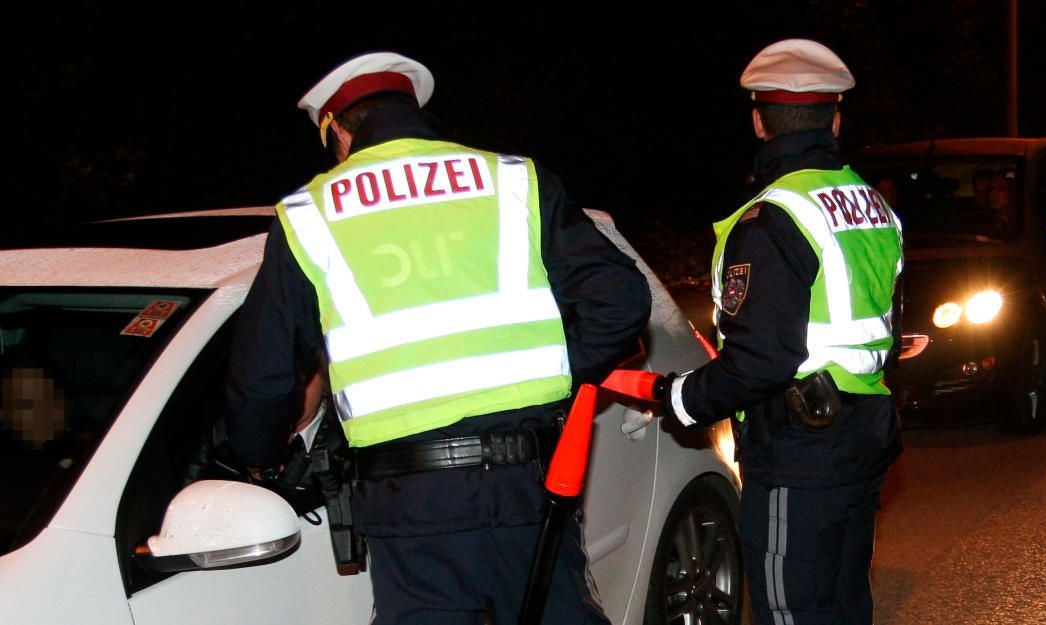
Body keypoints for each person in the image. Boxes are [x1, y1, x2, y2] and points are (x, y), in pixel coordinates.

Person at [224, 51, 651, 625]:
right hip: (528, 480)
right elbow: (621, 301)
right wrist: (552, 371)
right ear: (413, 111)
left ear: (339, 132)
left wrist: (260, 460)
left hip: (408, 502)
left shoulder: (310, 213)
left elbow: (263, 375)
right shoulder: (511, 178)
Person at [646, 39, 904, 625]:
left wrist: (680, 397)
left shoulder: (774, 216)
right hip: (863, 433)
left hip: (800, 451)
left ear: (759, 123)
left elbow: (763, 358)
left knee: (791, 611)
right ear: (835, 120)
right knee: (844, 606)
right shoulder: (871, 203)